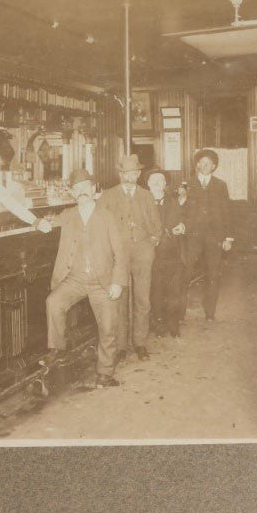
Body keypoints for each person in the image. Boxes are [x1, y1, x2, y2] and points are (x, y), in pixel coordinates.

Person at [43, 171, 126, 386]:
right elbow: (47, 222)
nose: (81, 192)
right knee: (53, 302)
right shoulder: (68, 214)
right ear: (72, 192)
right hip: (75, 278)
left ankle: (105, 373)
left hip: (102, 280)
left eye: (84, 187)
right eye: (76, 189)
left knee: (108, 327)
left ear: (93, 188)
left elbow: (120, 252)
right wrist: (39, 223)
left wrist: (117, 282)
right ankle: (58, 349)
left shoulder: (107, 215)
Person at [98, 153, 163, 361]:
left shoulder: (146, 195)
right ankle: (121, 346)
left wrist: (151, 242)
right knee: (120, 298)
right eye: (126, 173)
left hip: (143, 251)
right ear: (120, 174)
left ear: (138, 173)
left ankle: (140, 343)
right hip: (118, 254)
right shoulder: (108, 196)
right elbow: (100, 226)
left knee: (143, 298)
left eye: (134, 173)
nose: (130, 176)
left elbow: (156, 224)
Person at [187, 149, 235, 321]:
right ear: (197, 165)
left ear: (214, 166)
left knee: (213, 274)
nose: (206, 165)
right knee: (185, 272)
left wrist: (228, 238)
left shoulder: (220, 185)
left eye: (210, 163)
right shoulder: (187, 184)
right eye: (202, 162)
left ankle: (210, 313)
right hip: (191, 237)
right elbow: (181, 211)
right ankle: (178, 314)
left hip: (215, 238)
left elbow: (226, 212)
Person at [146, 170, 188, 338]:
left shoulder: (174, 202)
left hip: (173, 254)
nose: (157, 184)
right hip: (151, 255)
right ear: (148, 184)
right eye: (153, 180)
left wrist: (183, 226)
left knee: (175, 291)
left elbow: (186, 219)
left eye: (161, 180)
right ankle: (158, 324)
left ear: (165, 184)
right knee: (155, 292)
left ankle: (173, 325)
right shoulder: (142, 202)